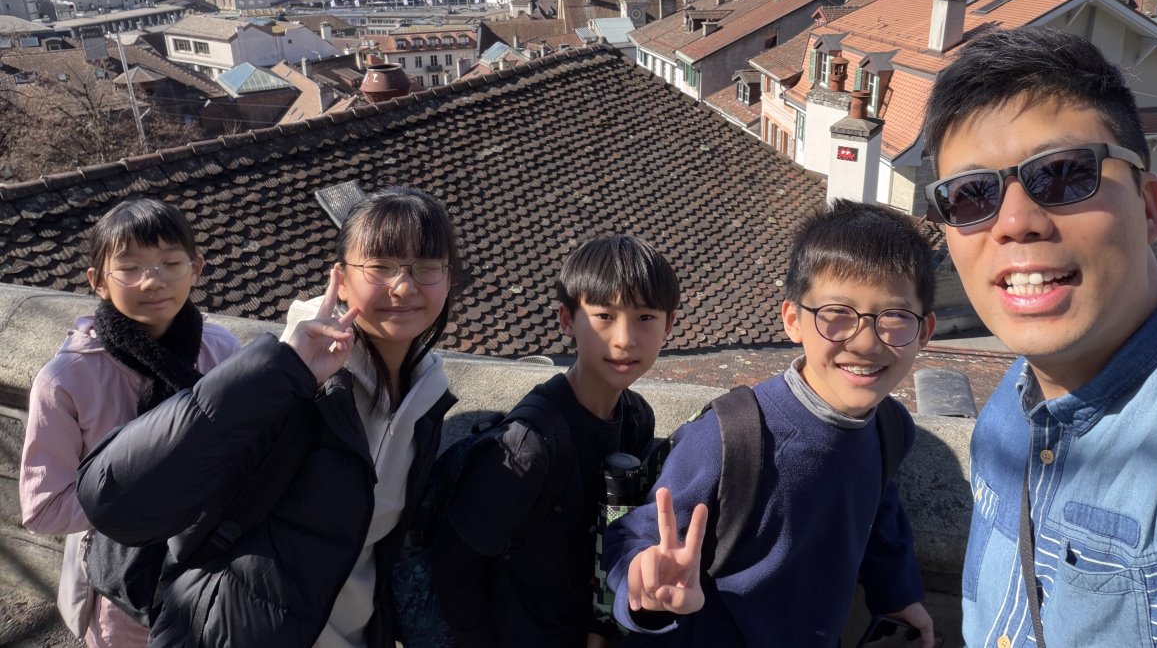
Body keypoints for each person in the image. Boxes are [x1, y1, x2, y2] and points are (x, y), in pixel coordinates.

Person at [921, 27, 1157, 647]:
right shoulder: (1008, 414)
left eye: (1063, 174)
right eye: (972, 195)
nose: (1016, 222)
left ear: (1149, 206)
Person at [77, 186, 460, 647]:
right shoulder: (292, 384)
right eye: (380, 267)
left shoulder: (424, 397)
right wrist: (279, 371)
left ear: (448, 278)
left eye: (426, 267)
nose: (404, 286)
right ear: (340, 279)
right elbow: (112, 498)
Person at [604, 200, 937, 647]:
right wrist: (644, 582)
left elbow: (877, 508)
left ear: (925, 330)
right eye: (837, 314)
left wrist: (897, 598)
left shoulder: (889, 429)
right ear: (793, 321)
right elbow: (634, 537)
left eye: (894, 317)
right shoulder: (731, 438)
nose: (864, 342)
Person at [433, 234, 679, 647]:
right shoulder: (527, 447)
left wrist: (601, 626)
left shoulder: (636, 418)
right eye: (604, 316)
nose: (624, 338)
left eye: (645, 317)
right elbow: (455, 570)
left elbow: (616, 535)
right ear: (567, 320)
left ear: (668, 325)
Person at [19, 197, 240, 647]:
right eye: (130, 268)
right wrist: (152, 498)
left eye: (170, 263)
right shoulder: (69, 378)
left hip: (215, 573)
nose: (153, 280)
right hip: (121, 590)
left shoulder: (222, 352)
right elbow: (43, 506)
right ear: (98, 281)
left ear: (196, 268)